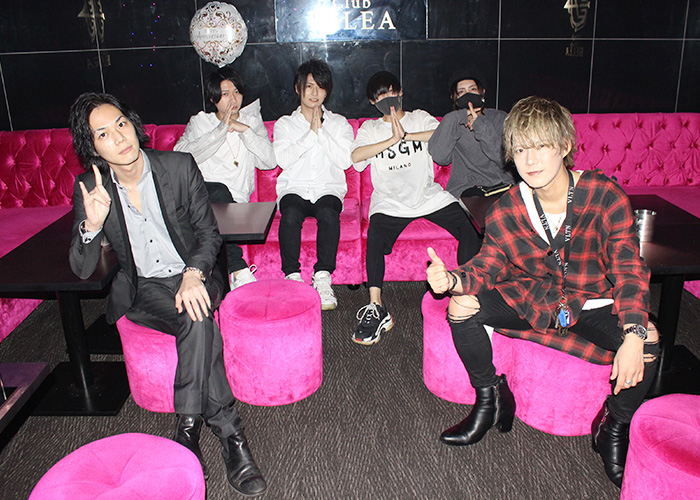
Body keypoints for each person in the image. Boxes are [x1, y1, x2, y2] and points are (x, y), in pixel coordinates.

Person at [426, 96, 659, 488]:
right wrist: (451, 280)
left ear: (564, 146)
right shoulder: (507, 208)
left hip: (590, 301)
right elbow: (489, 264)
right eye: (520, 150)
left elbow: (628, 268)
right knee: (461, 306)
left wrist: (633, 333)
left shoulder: (603, 195)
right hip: (533, 296)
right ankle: (490, 398)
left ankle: (613, 426)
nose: (530, 160)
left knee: (648, 339)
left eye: (540, 146)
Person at [68, 93, 267, 497]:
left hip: (193, 274)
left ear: (133, 124)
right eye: (103, 134)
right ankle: (231, 436)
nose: (118, 138)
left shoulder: (178, 167)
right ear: (93, 147)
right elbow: (82, 267)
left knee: (196, 312)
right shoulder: (90, 187)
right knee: (199, 320)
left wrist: (193, 274)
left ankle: (188, 434)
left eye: (121, 124)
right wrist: (92, 224)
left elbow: (209, 233)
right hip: (143, 289)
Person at [352, 71, 480, 345]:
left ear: (400, 93)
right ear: (373, 102)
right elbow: (356, 158)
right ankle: (376, 306)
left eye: (392, 92)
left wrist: (406, 134)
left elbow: (442, 135)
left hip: (428, 196)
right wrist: (391, 139)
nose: (388, 99)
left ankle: (467, 291)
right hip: (389, 201)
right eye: (381, 96)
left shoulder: (419, 117)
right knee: (374, 237)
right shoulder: (369, 129)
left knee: (469, 228)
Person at [174, 67, 276, 290]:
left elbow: (269, 162)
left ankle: (229, 275)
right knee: (218, 190)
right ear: (213, 98)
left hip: (235, 202)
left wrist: (245, 131)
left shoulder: (251, 121)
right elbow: (180, 156)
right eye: (225, 94)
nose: (233, 99)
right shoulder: (201, 122)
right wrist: (220, 131)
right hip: (200, 197)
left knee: (223, 193)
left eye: (237, 92)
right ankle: (238, 269)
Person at [272, 59, 354, 310]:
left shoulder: (339, 123)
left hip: (328, 187)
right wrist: (310, 133)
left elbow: (345, 160)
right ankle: (292, 277)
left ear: (327, 90)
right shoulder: (285, 124)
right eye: (309, 86)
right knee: (290, 214)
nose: (315, 93)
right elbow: (283, 159)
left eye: (320, 86)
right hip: (294, 187)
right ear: (298, 89)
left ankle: (323, 276)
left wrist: (322, 131)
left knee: (329, 214)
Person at [428, 69, 515, 199]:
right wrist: (456, 117)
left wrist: (480, 124)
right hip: (467, 189)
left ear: (482, 92)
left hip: (501, 186)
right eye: (461, 92)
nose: (467, 95)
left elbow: (502, 158)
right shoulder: (453, 121)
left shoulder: (499, 117)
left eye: (472, 89)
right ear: (454, 97)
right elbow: (439, 157)